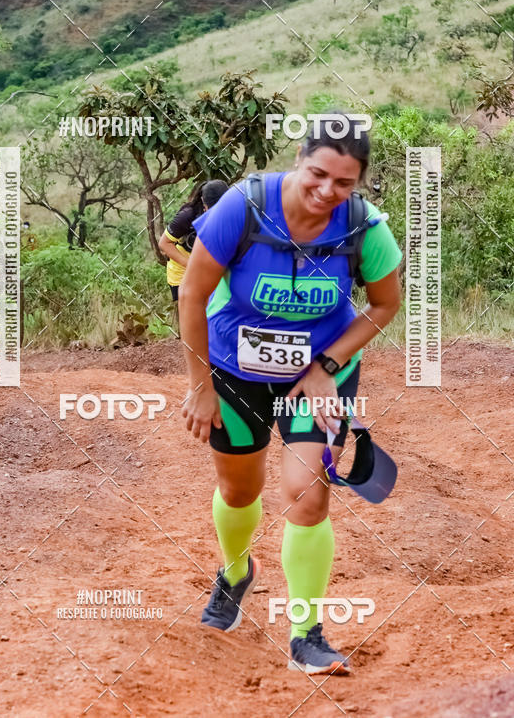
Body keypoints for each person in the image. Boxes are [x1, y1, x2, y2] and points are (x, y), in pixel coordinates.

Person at [179, 119, 402, 675]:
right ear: (298, 157)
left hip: (320, 375)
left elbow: (383, 305)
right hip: (235, 367)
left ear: (359, 184)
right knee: (238, 491)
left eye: (345, 183)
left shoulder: (364, 229)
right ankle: (234, 573)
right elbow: (193, 290)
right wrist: (200, 387)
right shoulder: (244, 206)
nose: (328, 191)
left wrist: (328, 366)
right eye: (319, 174)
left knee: (307, 492)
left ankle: (307, 631)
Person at [158, 180, 229, 303]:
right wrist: (192, 265)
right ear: (202, 202)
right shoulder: (187, 216)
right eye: (210, 209)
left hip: (206, 269)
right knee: (192, 314)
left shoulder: (229, 214)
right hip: (182, 273)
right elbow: (164, 244)